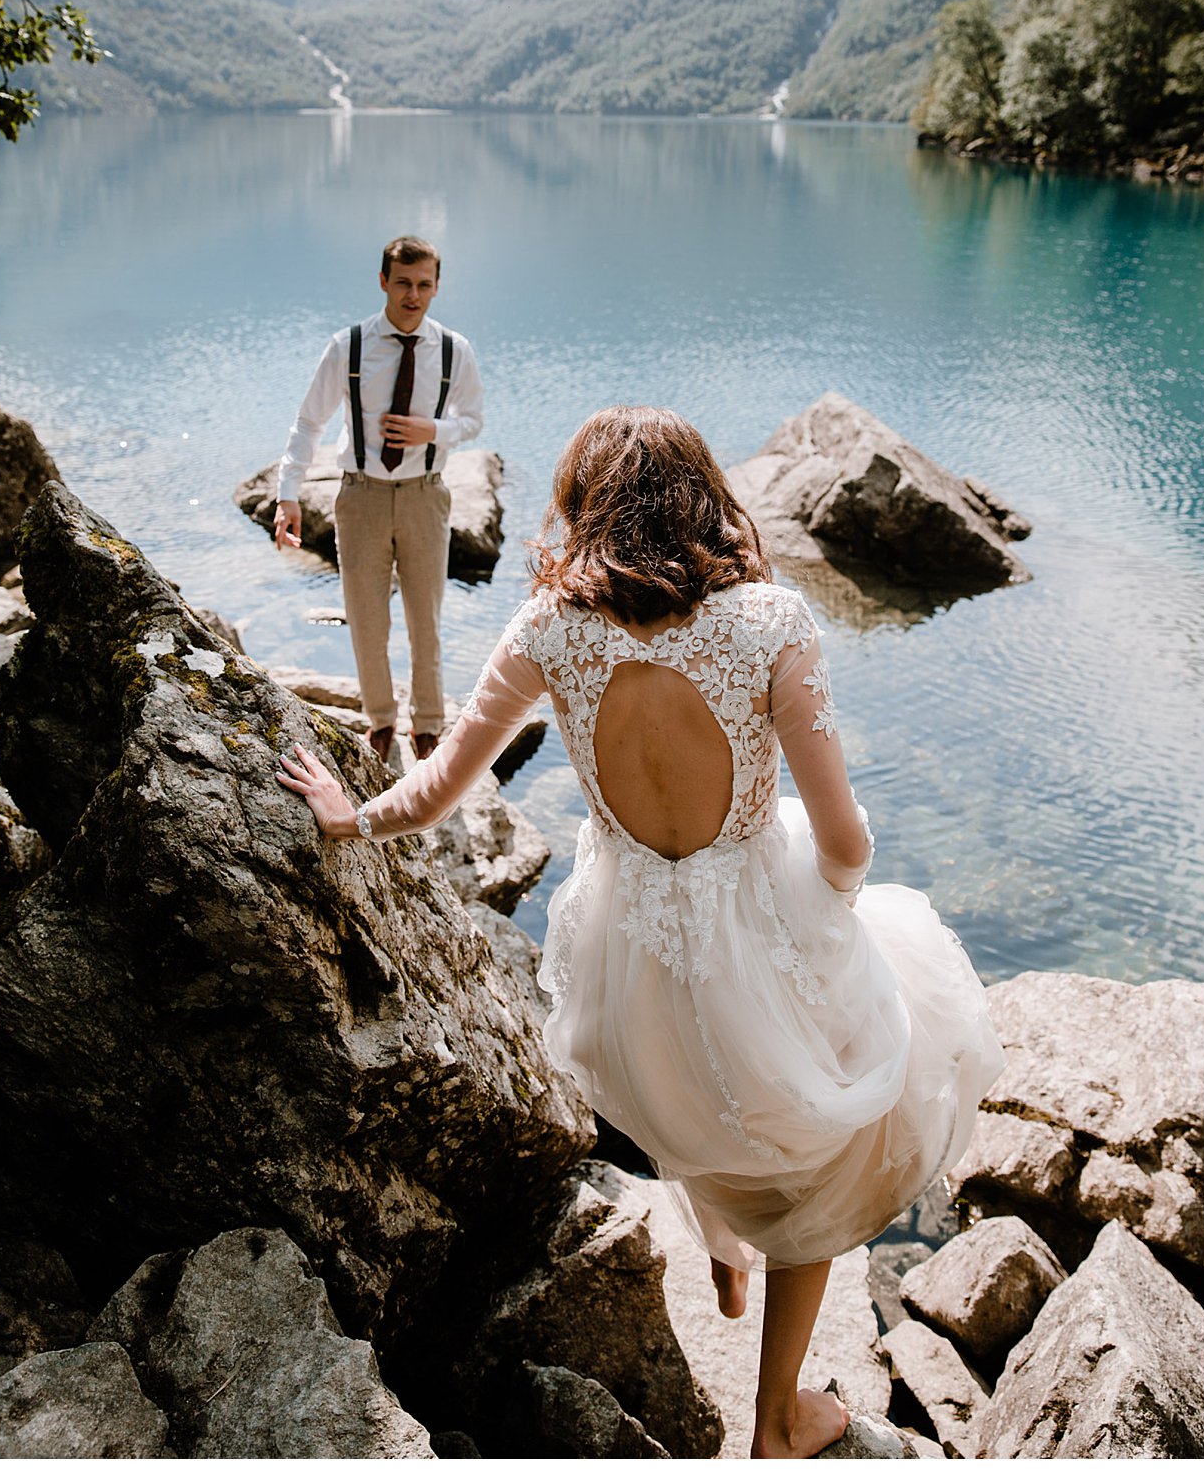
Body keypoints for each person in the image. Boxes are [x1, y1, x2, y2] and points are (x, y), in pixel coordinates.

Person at [278, 406, 1004, 1458]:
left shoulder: (547, 630)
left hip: (632, 942)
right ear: (703, 497)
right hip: (752, 908)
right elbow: (845, 839)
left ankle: (722, 1247)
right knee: (824, 1128)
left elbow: (437, 792)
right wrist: (833, 908)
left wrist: (355, 818)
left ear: (585, 510)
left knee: (691, 1078)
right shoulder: (771, 623)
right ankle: (775, 1421)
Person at [273, 236, 484, 761]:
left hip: (424, 496)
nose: (413, 295)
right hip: (361, 497)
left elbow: (473, 420)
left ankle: (429, 725)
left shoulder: (454, 350)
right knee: (366, 618)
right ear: (384, 281)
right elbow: (309, 422)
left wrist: (429, 430)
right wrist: (288, 494)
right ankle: (381, 720)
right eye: (404, 283)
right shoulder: (348, 346)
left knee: (425, 619)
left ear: (437, 286)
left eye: (424, 284)